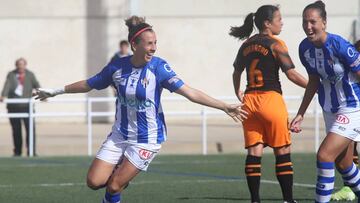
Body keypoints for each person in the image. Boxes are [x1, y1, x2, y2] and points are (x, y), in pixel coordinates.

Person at [34, 16, 248, 203]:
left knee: (114, 186)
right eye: (149, 44)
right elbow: (89, 83)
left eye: (155, 43)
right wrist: (55, 91)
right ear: (134, 45)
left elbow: (190, 92)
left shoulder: (159, 67)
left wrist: (223, 106)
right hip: (119, 135)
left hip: (147, 138)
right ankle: (120, 176)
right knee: (93, 181)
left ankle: (117, 185)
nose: (154, 48)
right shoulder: (117, 67)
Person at [230, 5, 307, 203]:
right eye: (279, 19)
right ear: (267, 23)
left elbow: (236, 72)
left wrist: (237, 91)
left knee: (254, 152)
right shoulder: (276, 44)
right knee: (282, 151)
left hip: (249, 103)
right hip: (270, 100)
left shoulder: (245, 45)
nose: (281, 22)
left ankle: (255, 200)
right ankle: (288, 200)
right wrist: (314, 86)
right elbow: (291, 74)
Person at [290, 1, 360, 202]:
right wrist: (301, 113)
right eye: (305, 22)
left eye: (313, 21)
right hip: (329, 110)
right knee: (344, 164)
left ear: (324, 23)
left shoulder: (340, 46)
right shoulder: (304, 48)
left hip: (352, 108)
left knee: (324, 156)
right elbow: (313, 81)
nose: (308, 26)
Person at [330, 39, 360, 201]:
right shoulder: (353, 49)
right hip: (352, 106)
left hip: (355, 107)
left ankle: (349, 187)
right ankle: (349, 187)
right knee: (349, 148)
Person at [0, 57, 40, 156]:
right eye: (18, 65)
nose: (20, 66)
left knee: (30, 129)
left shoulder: (30, 75)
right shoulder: (11, 74)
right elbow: (7, 86)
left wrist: (42, 94)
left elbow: (37, 85)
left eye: (22, 64)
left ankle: (31, 151)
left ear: (25, 65)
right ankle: (17, 152)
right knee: (16, 130)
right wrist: (3, 95)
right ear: (16, 65)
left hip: (27, 107)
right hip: (13, 107)